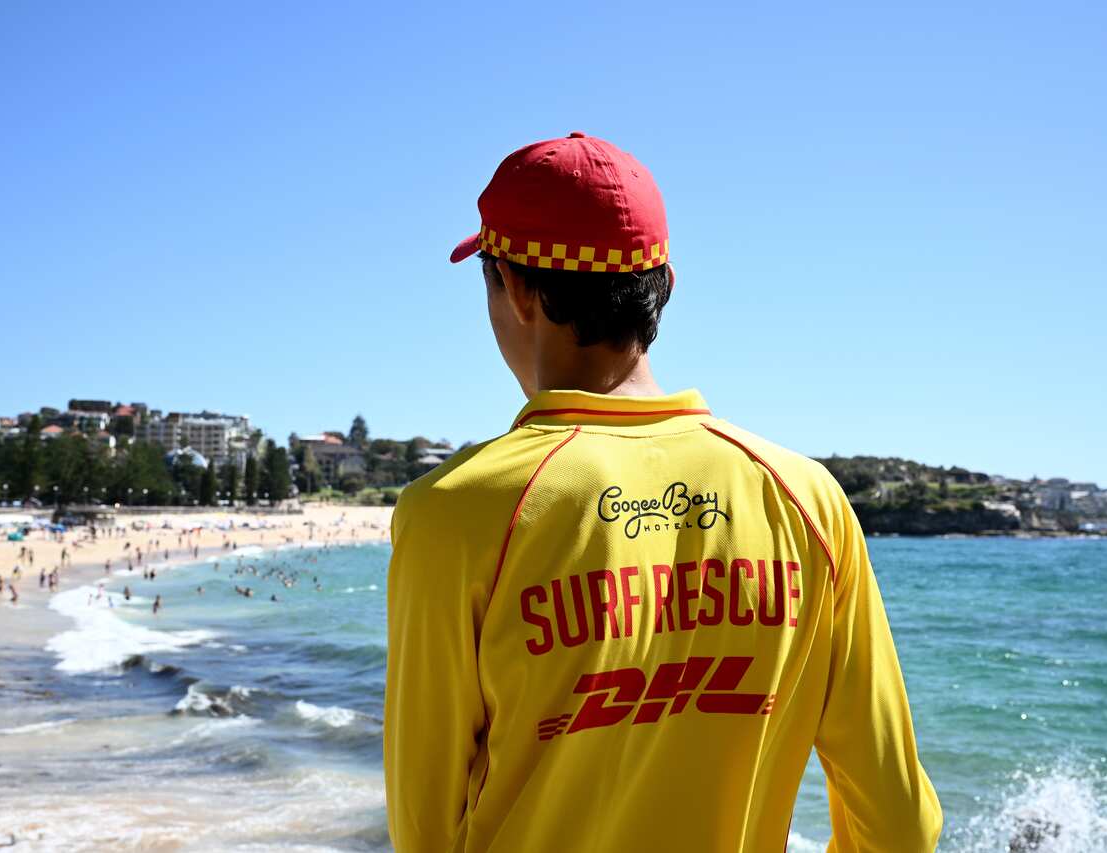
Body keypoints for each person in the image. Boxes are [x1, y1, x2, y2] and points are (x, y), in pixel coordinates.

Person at [384, 132, 941, 852]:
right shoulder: (808, 500)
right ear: (663, 288)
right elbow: (899, 826)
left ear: (517, 289)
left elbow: (425, 829)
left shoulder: (454, 512)